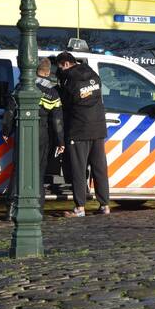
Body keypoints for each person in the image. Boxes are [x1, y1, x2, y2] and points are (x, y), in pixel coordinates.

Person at [2, 58, 65, 219]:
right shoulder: (52, 92)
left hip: (22, 132)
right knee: (38, 171)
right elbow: (57, 120)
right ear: (48, 72)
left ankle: (10, 209)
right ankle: (38, 209)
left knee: (18, 170)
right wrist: (60, 141)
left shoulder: (21, 86)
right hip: (42, 134)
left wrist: (6, 131)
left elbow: (10, 111)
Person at [56, 51, 110, 217]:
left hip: (79, 130)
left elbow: (65, 105)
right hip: (98, 128)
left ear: (65, 64)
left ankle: (80, 207)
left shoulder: (69, 80)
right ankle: (105, 205)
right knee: (99, 168)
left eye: (59, 67)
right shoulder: (92, 74)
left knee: (78, 170)